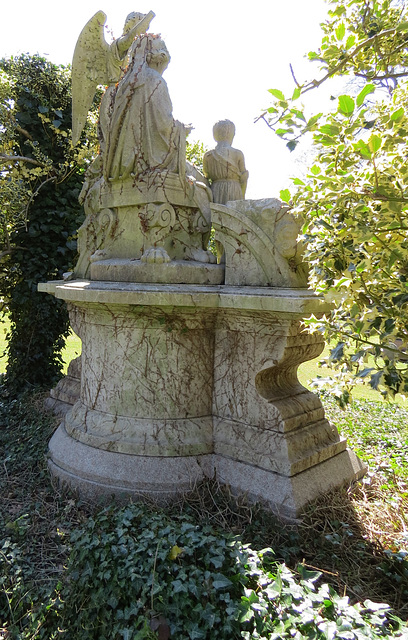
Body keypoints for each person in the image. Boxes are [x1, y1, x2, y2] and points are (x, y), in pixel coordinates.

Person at [203, 120, 248, 204]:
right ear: (231, 134)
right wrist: (242, 198)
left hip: (215, 191)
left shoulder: (208, 155)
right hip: (234, 191)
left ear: (214, 135)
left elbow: (206, 177)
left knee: (216, 215)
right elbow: (244, 179)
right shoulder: (238, 154)